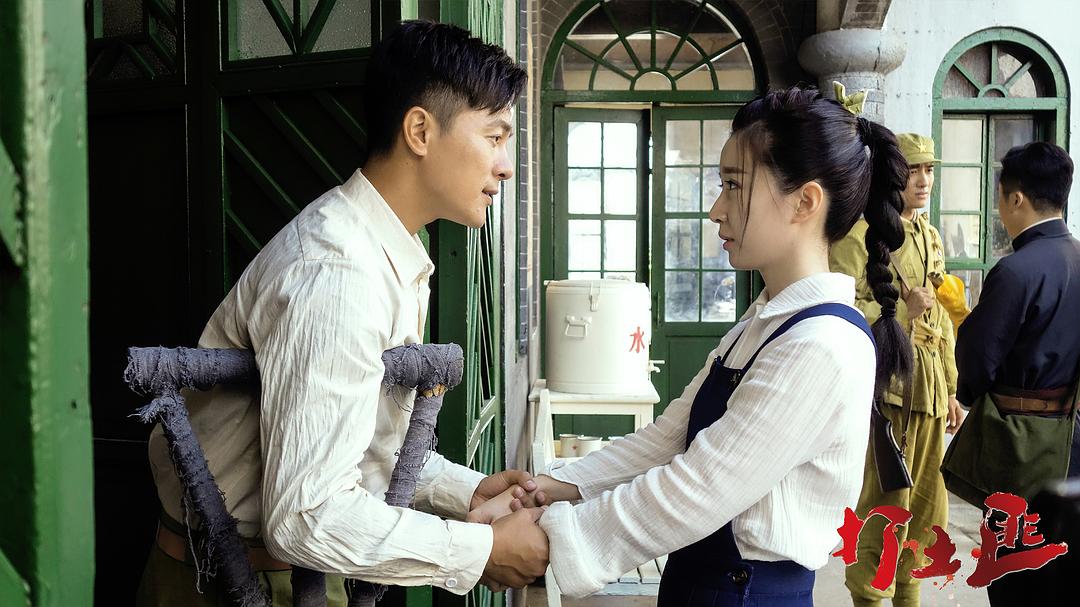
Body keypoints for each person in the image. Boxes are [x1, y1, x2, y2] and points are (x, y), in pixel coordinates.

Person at [137, 21, 547, 606]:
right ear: (420, 131)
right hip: (236, 584)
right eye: (495, 136)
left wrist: (466, 492)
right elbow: (308, 514)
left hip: (291, 576)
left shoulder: (384, 252)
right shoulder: (338, 272)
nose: (505, 165)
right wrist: (478, 550)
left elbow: (358, 448)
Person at [478, 86, 914, 605]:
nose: (715, 210)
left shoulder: (822, 345)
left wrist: (551, 538)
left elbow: (699, 487)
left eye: (733, 186)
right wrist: (550, 487)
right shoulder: (766, 321)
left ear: (805, 201)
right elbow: (669, 439)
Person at [829, 132, 963, 607]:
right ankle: (869, 597)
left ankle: (908, 596)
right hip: (888, 389)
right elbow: (839, 311)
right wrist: (902, 312)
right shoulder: (859, 236)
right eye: (913, 170)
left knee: (927, 513)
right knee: (885, 509)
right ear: (891, 175)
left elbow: (941, 321)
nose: (923, 180)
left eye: (929, 169)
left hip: (929, 390)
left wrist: (951, 388)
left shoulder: (929, 235)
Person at [953, 141, 1078, 606]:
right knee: (1063, 574)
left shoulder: (1016, 270)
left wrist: (969, 393)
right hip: (1074, 441)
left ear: (1016, 198)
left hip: (1019, 447)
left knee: (1013, 575)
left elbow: (978, 361)